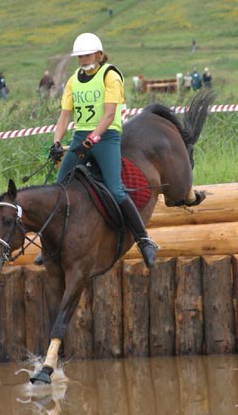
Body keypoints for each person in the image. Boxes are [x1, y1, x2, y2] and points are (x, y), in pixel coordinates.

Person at [38, 32, 158, 268]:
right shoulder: (73, 80)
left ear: (99, 54)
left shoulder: (110, 75)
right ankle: (49, 247)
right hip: (81, 136)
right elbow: (64, 116)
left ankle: (144, 240)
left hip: (106, 137)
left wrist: (93, 139)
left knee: (115, 188)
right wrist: (56, 142)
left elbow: (110, 114)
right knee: (59, 189)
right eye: (80, 56)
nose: (82, 59)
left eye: (87, 55)